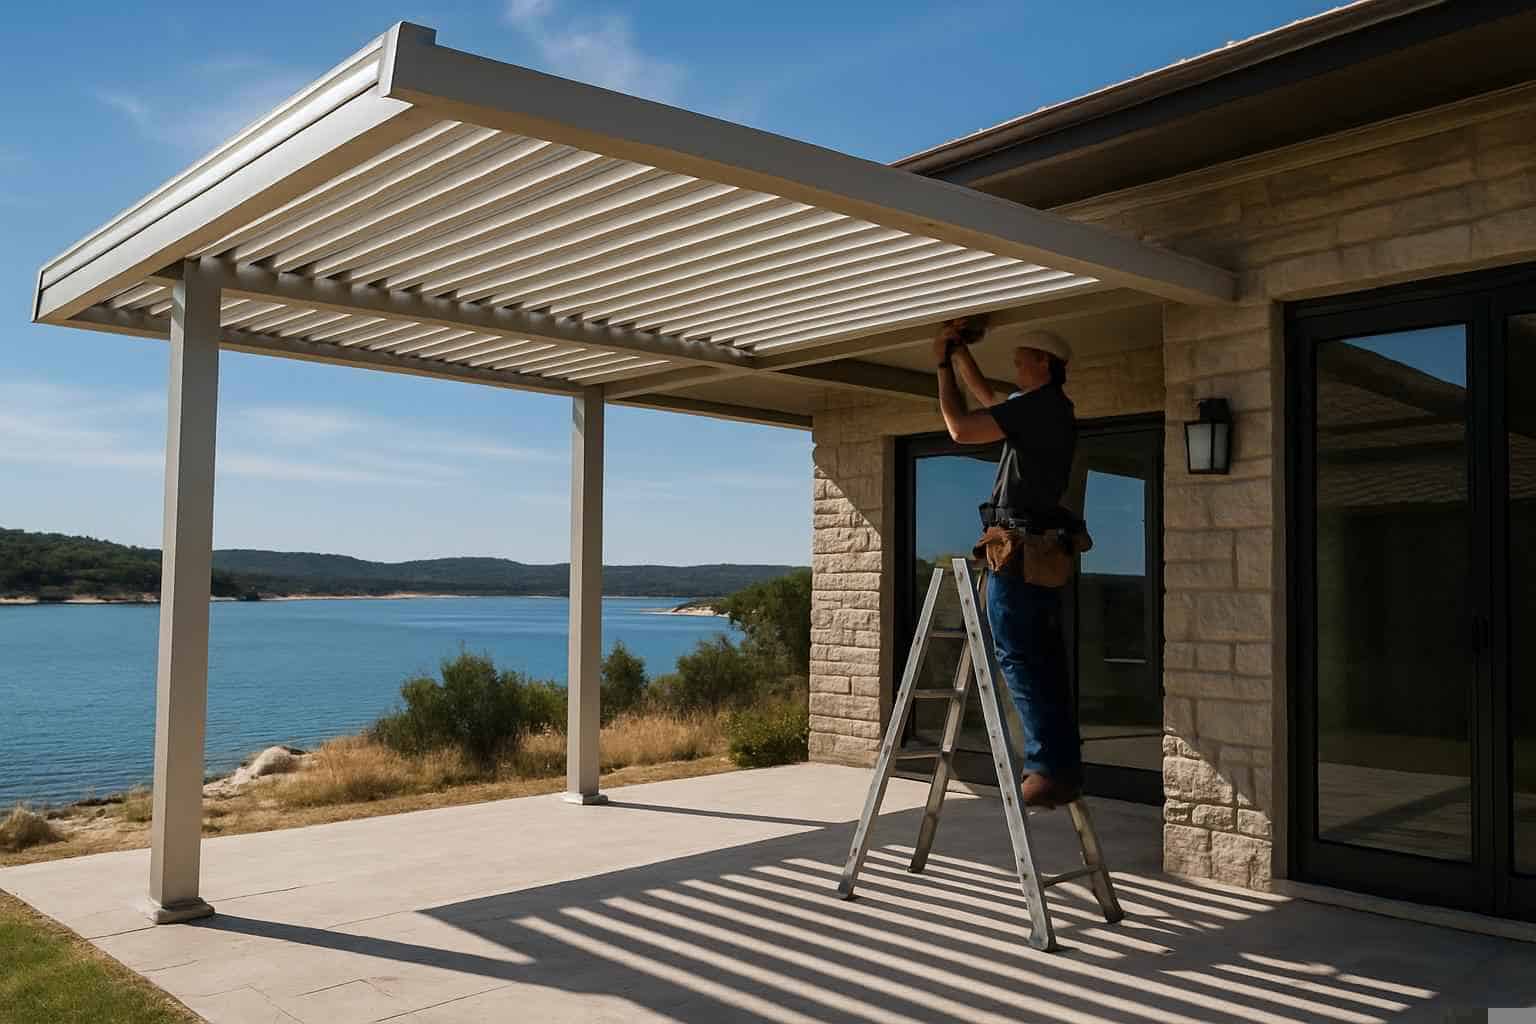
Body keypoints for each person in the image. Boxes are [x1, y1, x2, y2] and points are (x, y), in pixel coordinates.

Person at [932, 319, 1083, 809]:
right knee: (1045, 659)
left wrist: (939, 367)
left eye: (1021, 360)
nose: (1015, 366)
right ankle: (1062, 767)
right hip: (1040, 550)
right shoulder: (1050, 410)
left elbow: (960, 426)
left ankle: (1044, 769)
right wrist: (957, 354)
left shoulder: (1038, 408)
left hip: (1018, 552)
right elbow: (991, 398)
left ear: (1044, 363)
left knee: (1017, 655)